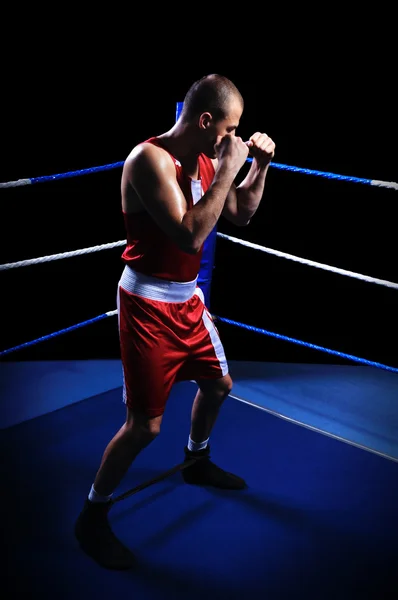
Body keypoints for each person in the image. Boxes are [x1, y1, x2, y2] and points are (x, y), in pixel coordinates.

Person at [75, 73, 275, 570]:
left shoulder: (208, 158)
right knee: (144, 426)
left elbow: (241, 214)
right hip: (146, 302)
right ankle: (92, 515)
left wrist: (260, 169)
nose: (233, 139)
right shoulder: (149, 160)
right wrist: (230, 167)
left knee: (219, 385)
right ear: (205, 120)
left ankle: (196, 460)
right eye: (229, 129)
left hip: (186, 300)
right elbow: (189, 236)